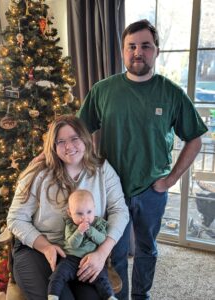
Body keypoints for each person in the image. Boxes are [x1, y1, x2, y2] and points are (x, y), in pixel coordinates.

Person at [77, 19, 208, 300]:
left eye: (145, 46)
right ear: (123, 51)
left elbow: (195, 139)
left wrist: (171, 179)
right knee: (117, 251)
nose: (138, 52)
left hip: (152, 190)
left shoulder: (171, 93)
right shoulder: (103, 90)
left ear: (156, 51)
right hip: (112, 190)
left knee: (147, 248)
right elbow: (79, 132)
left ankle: (142, 295)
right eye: (131, 46)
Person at [7, 115, 129, 300]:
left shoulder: (103, 170)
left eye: (74, 139)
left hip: (82, 252)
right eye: (60, 141)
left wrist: (102, 253)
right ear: (53, 146)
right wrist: (46, 247)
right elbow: (16, 218)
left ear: (85, 139)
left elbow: (119, 211)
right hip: (37, 250)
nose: (69, 147)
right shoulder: (37, 173)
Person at [48, 189, 117, 300]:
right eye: (79, 213)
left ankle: (109, 297)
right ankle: (53, 295)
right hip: (70, 259)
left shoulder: (99, 223)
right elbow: (72, 244)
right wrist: (79, 232)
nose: (85, 217)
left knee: (102, 278)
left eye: (89, 212)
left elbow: (102, 240)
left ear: (94, 208)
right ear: (70, 213)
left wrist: (90, 230)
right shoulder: (70, 225)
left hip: (91, 260)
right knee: (58, 274)